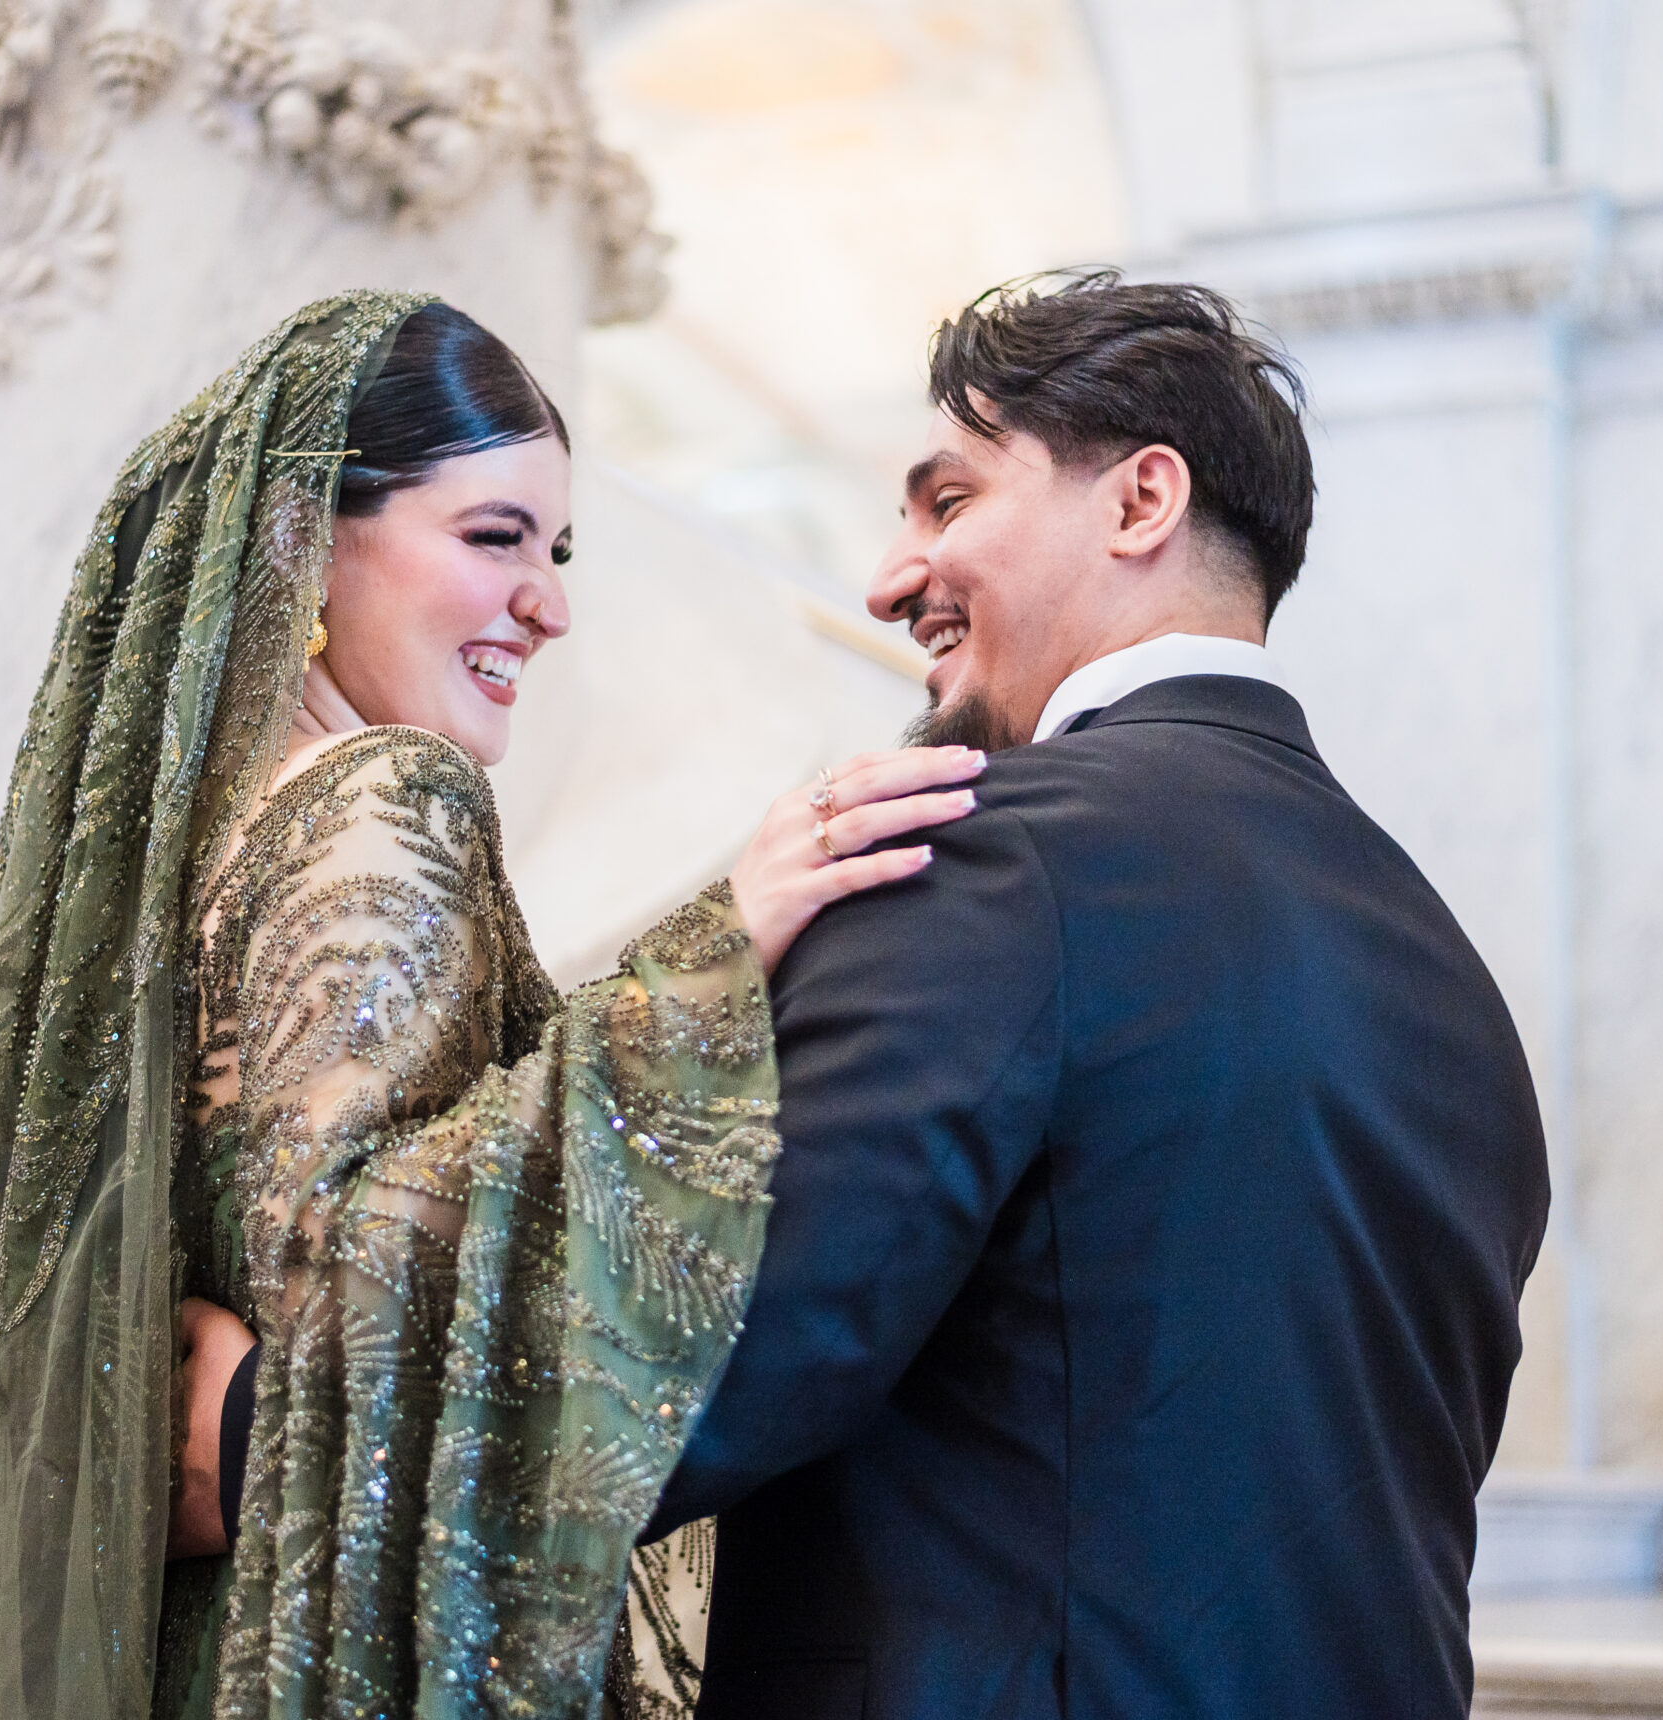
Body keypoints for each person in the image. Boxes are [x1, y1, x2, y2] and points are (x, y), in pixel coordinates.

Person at [0, 289, 979, 1720]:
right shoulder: (385, 796)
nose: (550, 604)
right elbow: (353, 1261)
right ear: (301, 539)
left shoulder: (185, 866)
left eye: (557, 549)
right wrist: (717, 956)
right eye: (493, 538)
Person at [642, 272, 1552, 1718]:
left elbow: (702, 1362)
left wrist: (251, 1434)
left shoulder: (982, 852)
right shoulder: (1452, 981)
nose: (887, 576)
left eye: (946, 502)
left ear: (1140, 504)